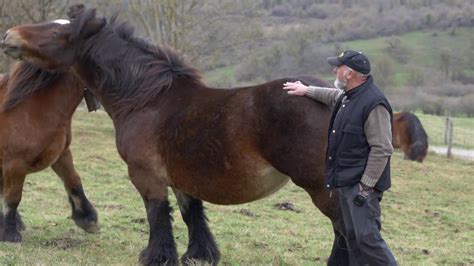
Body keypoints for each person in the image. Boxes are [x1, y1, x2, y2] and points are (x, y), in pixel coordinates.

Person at [283, 50, 397, 265]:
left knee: (368, 240)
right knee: (352, 237)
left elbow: (382, 149)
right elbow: (332, 96)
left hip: (362, 186)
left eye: (339, 67)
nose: (335, 69)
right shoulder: (350, 96)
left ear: (349, 74)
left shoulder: (374, 104)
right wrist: (306, 90)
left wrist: (365, 187)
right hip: (346, 181)